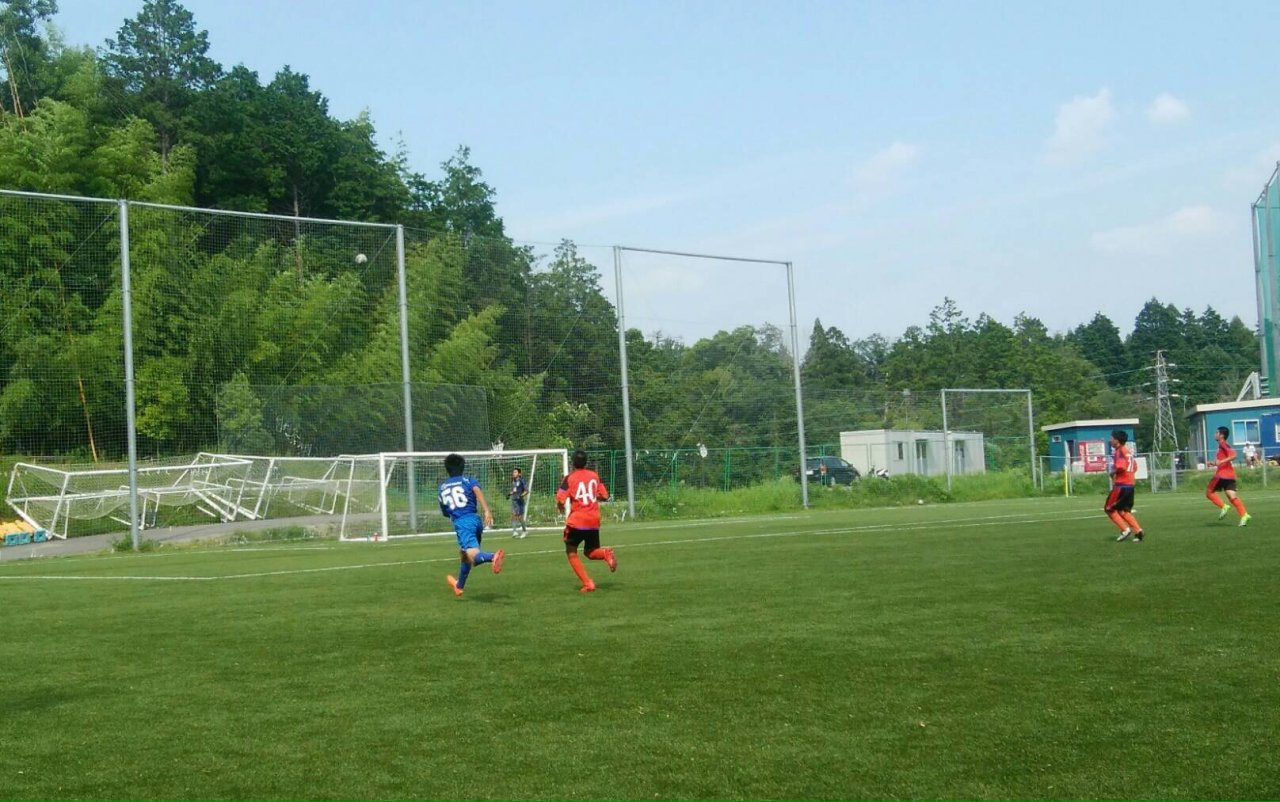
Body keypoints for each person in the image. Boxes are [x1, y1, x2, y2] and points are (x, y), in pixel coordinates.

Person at [438, 453, 504, 597]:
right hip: (475, 520)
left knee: (472, 554)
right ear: (463, 467)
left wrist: (452, 513)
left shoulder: (442, 488)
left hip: (462, 523)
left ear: (447, 469)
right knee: (466, 555)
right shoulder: (469, 480)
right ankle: (459, 586)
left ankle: (492, 557)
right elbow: (476, 490)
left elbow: (444, 511)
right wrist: (487, 510)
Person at [555, 449, 617, 593]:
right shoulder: (594, 476)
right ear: (586, 462)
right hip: (593, 520)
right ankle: (605, 553)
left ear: (572, 462)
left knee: (571, 551)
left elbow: (560, 498)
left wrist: (560, 507)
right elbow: (604, 495)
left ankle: (588, 583)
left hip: (577, 520)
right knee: (590, 551)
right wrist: (593, 498)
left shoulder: (569, 478)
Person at [1105, 430, 1145, 542]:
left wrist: (1113, 473)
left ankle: (1125, 530)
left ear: (1117, 440)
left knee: (1109, 508)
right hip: (1130, 485)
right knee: (1123, 510)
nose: (1110, 440)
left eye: (1112, 438)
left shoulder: (1120, 451)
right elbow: (1134, 467)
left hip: (1121, 486)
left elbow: (1121, 467)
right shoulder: (1127, 451)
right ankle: (1138, 531)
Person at [1207, 427, 1251, 527]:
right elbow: (1223, 460)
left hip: (1222, 475)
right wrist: (1213, 463)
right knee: (1232, 497)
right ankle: (1244, 515)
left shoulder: (1223, 444)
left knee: (1209, 493)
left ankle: (1223, 506)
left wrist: (1221, 461)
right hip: (1230, 475)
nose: (1215, 434)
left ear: (1222, 435)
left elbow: (1233, 455)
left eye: (1217, 432)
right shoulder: (1222, 445)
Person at [506, 467, 529, 538]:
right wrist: (509, 494)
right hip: (514, 500)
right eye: (513, 472)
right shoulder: (514, 481)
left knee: (520, 517)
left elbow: (526, 491)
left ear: (519, 474)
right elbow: (515, 490)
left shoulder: (522, 481)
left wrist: (521, 496)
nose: (513, 473)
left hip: (519, 501)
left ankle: (524, 531)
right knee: (513, 516)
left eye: (515, 472)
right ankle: (515, 531)